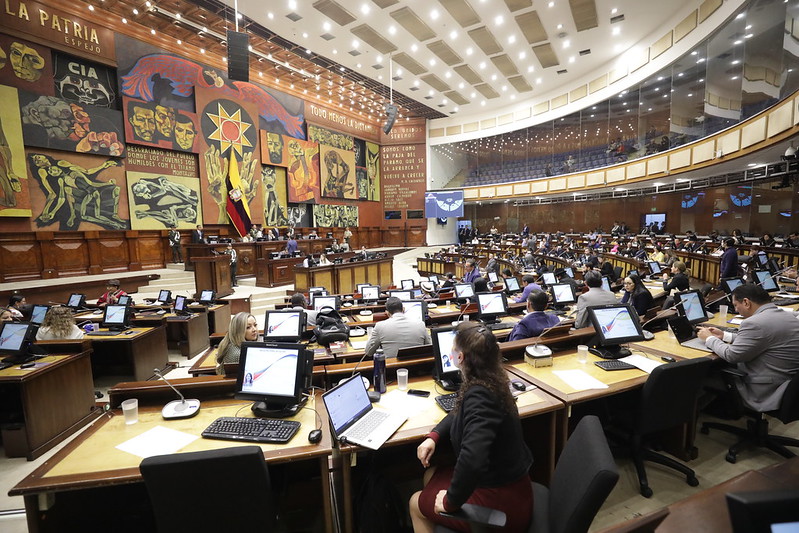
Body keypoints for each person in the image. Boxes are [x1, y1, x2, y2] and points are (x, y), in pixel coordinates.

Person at [410, 321, 534, 532]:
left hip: (501, 505)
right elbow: (460, 409)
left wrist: (450, 502)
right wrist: (435, 435)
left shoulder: (480, 394)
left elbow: (472, 459)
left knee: (415, 502)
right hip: (511, 483)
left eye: (454, 350)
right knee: (430, 475)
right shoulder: (491, 380)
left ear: (460, 357)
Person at [698, 285, 799, 411]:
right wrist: (724, 335)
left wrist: (709, 338)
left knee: (701, 377)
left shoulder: (755, 323)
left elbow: (732, 355)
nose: (736, 310)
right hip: (786, 383)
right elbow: (763, 339)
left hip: (762, 390)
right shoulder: (787, 316)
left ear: (746, 302)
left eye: (735, 305)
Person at [364, 297, 431, 358]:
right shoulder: (421, 324)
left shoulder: (380, 326)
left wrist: (371, 336)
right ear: (403, 309)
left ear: (387, 313)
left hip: (391, 369)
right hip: (419, 368)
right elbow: (429, 346)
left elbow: (368, 352)